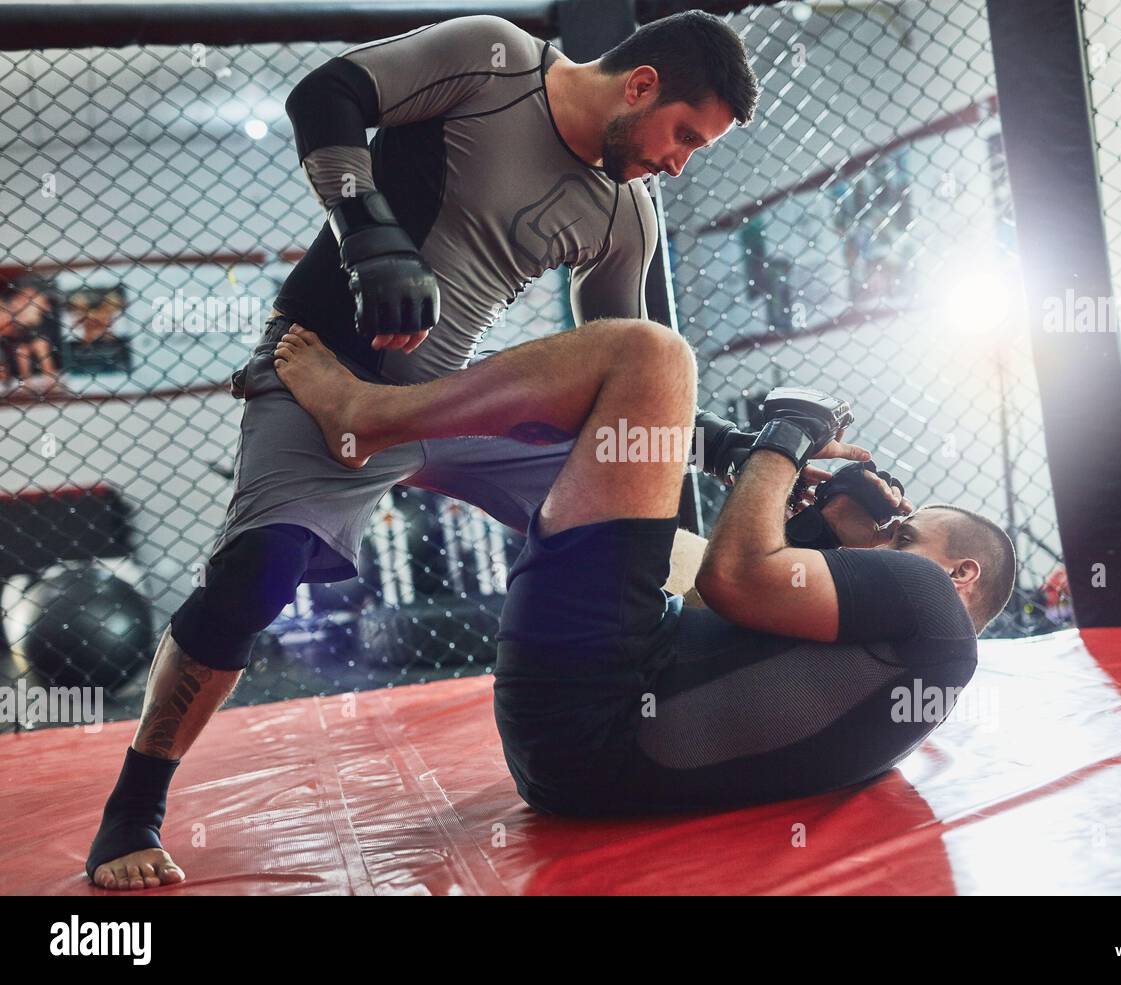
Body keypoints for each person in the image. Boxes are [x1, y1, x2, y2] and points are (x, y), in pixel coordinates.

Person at [86, 10, 759, 889]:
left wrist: (727, 446)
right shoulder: (496, 61)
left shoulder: (628, 209)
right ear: (640, 86)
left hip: (452, 399)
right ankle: (131, 809)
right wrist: (369, 234)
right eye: (685, 135)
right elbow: (326, 93)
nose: (680, 161)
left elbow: (632, 369)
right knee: (256, 573)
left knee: (641, 508)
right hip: (322, 370)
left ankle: (698, 693)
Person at [269, 316, 1016, 814]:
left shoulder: (930, 604)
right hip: (578, 752)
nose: (891, 533)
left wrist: (786, 436)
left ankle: (370, 416)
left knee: (649, 359)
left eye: (906, 528)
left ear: (962, 577)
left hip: (601, 702)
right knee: (622, 443)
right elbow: (733, 619)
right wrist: (821, 522)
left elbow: (731, 579)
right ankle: (406, 455)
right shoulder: (906, 665)